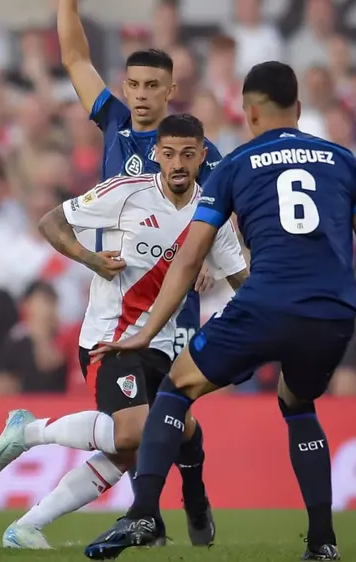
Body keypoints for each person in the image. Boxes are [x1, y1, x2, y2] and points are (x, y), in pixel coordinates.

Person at [83, 62, 356, 561]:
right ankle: (322, 542)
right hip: (332, 312)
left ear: (250, 114)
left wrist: (145, 333)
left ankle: (142, 513)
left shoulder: (235, 165)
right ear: (299, 108)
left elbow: (187, 259)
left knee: (178, 387)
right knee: (297, 402)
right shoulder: (345, 161)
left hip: (265, 303)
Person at [0, 114, 248, 549]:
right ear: (157, 156)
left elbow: (243, 282)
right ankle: (30, 431)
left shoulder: (213, 215)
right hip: (112, 337)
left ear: (202, 156)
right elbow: (51, 221)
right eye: (169, 154)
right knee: (133, 434)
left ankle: (27, 526)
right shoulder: (126, 194)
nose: (178, 162)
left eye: (188, 153)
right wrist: (89, 258)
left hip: (163, 348)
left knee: (143, 445)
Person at [55, 0, 221, 541]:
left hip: (173, 304)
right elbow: (75, 56)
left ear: (171, 90)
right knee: (138, 420)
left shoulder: (199, 150)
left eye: (154, 85)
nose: (143, 95)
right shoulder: (115, 123)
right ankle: (150, 514)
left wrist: (206, 258)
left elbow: (227, 214)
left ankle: (190, 495)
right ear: (125, 90)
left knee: (179, 419)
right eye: (135, 85)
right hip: (116, 299)